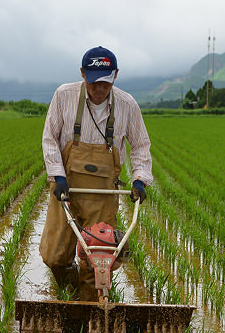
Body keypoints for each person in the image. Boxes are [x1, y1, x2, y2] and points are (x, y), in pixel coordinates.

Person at [40, 46, 152, 301]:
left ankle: (90, 311)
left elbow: (141, 145)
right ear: (82, 74)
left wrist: (140, 179)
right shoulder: (64, 96)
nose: (99, 89)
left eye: (105, 82)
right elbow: (49, 139)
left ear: (115, 76)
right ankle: (72, 288)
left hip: (103, 192)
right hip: (67, 187)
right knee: (53, 255)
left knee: (98, 257)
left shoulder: (127, 104)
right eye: (93, 82)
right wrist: (58, 177)